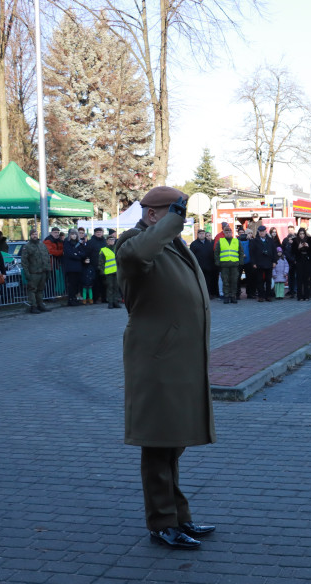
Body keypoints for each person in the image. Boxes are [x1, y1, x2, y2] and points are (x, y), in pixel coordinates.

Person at [114, 186, 215, 550]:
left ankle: (179, 516)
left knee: (173, 444)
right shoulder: (132, 242)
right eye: (175, 213)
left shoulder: (171, 244)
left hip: (177, 360)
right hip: (155, 359)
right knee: (158, 444)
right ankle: (161, 522)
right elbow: (138, 254)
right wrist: (171, 220)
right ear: (154, 214)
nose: (182, 220)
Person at [21, 229, 51, 314]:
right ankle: (33, 306)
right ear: (30, 235)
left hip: (43, 271)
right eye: (33, 234)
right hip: (33, 272)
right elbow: (24, 261)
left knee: (40, 290)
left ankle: (40, 305)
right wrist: (27, 273)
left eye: (36, 234)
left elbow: (47, 258)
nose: (35, 235)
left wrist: (48, 270)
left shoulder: (42, 245)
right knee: (32, 290)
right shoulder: (27, 246)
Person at [214, 223, 241, 304]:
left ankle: (233, 296)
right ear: (224, 233)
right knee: (225, 282)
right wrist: (217, 262)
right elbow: (216, 253)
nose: (228, 233)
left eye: (230, 232)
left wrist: (240, 262)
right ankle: (226, 297)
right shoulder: (220, 241)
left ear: (232, 233)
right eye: (226, 232)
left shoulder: (236, 241)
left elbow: (241, 252)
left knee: (234, 281)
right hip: (224, 265)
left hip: (234, 265)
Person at [250, 224, 278, 301]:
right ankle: (261, 296)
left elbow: (274, 252)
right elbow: (252, 253)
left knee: (268, 280)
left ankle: (268, 296)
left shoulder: (270, 240)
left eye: (263, 231)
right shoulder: (254, 241)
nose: (262, 233)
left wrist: (274, 261)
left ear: (266, 231)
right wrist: (254, 263)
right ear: (258, 232)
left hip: (269, 263)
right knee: (259, 280)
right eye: (260, 232)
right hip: (259, 263)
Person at [189, 229, 217, 299]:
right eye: (200, 233)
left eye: (203, 233)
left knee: (209, 281)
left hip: (209, 266)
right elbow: (191, 255)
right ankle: (201, 296)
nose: (202, 235)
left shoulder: (209, 243)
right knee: (200, 282)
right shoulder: (194, 244)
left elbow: (213, 254)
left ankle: (209, 294)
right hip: (199, 267)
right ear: (197, 235)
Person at [62, 228, 86, 306]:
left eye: (75, 234)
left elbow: (83, 253)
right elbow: (70, 254)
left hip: (78, 267)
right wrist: (78, 255)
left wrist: (77, 254)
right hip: (70, 267)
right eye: (72, 234)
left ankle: (74, 298)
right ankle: (71, 299)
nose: (74, 236)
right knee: (71, 284)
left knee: (76, 284)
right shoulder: (67, 243)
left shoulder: (78, 243)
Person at [292, 228, 311, 300]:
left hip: (307, 260)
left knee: (306, 278)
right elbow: (292, 251)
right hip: (299, 260)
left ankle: (306, 295)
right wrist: (298, 248)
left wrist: (308, 246)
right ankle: (299, 296)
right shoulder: (295, 241)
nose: (302, 235)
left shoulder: (309, 240)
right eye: (300, 234)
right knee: (299, 278)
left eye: (303, 234)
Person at [98, 233, 120, 308]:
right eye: (110, 240)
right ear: (107, 241)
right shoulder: (103, 250)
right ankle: (110, 302)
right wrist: (102, 272)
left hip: (117, 272)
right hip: (108, 272)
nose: (112, 241)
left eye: (113, 239)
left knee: (116, 287)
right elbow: (101, 262)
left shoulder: (117, 249)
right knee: (110, 287)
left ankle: (115, 302)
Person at [86, 226, 108, 303]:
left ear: (102, 233)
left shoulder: (105, 242)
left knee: (104, 283)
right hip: (94, 265)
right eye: (97, 232)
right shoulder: (91, 242)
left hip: (104, 265)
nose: (99, 234)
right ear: (95, 233)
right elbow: (88, 253)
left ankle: (104, 298)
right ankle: (95, 298)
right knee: (95, 283)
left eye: (100, 232)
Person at [44, 225, 65, 296]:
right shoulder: (48, 240)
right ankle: (48, 295)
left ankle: (51, 294)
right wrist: (62, 252)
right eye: (55, 232)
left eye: (58, 232)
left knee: (53, 280)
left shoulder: (58, 241)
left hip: (55, 263)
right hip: (49, 264)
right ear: (51, 233)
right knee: (50, 281)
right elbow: (51, 251)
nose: (57, 234)